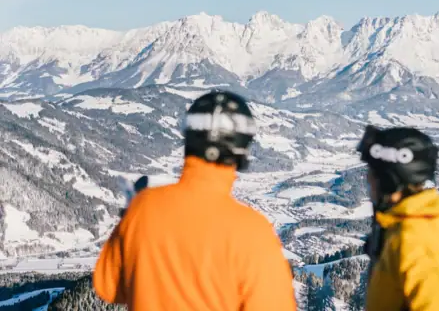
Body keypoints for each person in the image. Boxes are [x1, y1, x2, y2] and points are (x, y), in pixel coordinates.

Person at [93, 90, 297, 310]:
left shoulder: (143, 208)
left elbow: (108, 287)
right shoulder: (253, 232)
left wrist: (129, 223)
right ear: (242, 151)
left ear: (188, 139)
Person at [357, 125, 439, 310]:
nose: (368, 180)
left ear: (389, 181)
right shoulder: (400, 227)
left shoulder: (414, 240)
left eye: (372, 174)